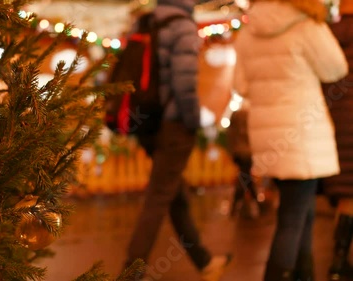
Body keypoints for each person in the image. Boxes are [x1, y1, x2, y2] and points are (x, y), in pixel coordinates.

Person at [233, 0, 348, 280]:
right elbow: (336, 68)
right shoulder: (306, 25)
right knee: (292, 220)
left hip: (268, 137)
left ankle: (304, 275)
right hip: (302, 135)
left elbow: (241, 85)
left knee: (302, 213)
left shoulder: (249, 31)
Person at [123, 0, 231, 280]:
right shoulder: (182, 26)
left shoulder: (146, 21)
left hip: (147, 122)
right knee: (159, 197)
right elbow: (185, 85)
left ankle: (204, 261)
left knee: (174, 194)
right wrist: (194, 121)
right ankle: (130, 272)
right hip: (173, 125)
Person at [322, 1, 353, 280]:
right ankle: (342, 259)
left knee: (345, 197)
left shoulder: (327, 33)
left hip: (335, 127)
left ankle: (339, 257)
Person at [225, 100, 262, 219]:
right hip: (248, 152)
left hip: (238, 153)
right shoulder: (250, 116)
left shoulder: (234, 115)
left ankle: (237, 206)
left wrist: (232, 152)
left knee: (245, 177)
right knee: (245, 178)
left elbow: (229, 135)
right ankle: (244, 204)